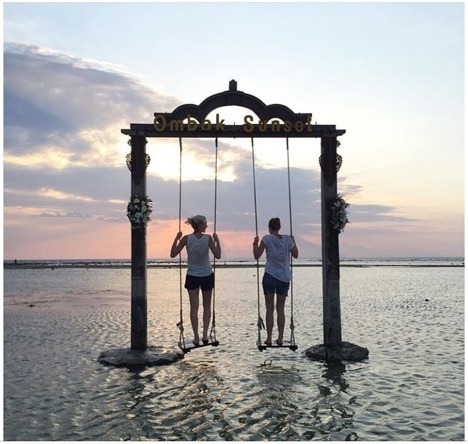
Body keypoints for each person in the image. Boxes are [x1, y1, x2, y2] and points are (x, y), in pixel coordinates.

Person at [170, 215, 221, 346]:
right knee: (206, 306)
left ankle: (197, 337)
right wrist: (217, 241)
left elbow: (173, 253)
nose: (207, 226)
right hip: (206, 275)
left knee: (194, 307)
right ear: (200, 225)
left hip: (192, 275)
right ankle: (204, 335)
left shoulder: (187, 239)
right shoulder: (208, 238)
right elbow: (218, 255)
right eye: (205, 223)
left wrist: (176, 239)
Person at [253, 217, 298, 346]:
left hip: (269, 276)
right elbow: (296, 255)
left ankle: (268, 338)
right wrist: (293, 242)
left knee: (269, 309)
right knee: (280, 309)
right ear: (279, 227)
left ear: (269, 227)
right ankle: (280, 338)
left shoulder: (266, 239)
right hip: (284, 277)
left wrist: (254, 244)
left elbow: (257, 255)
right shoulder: (288, 239)